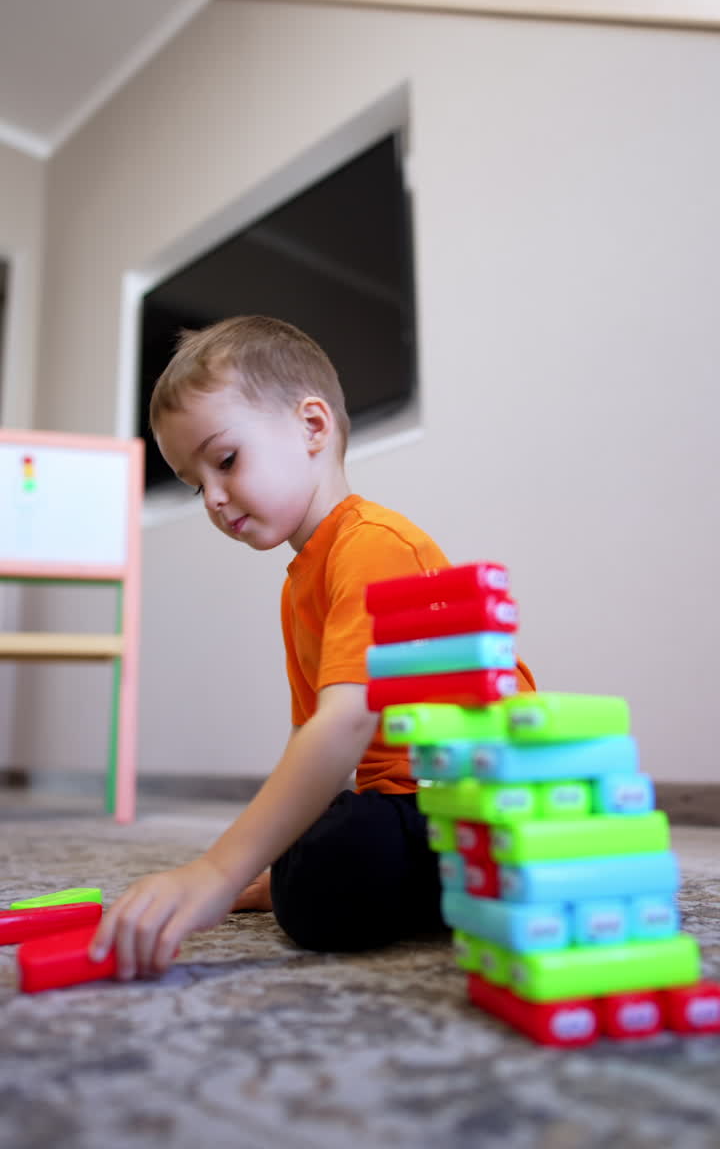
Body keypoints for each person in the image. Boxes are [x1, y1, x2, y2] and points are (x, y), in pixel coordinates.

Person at [90, 315, 535, 979]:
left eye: (226, 460)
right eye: (194, 483)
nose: (212, 498)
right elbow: (312, 740)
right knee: (314, 845)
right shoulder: (300, 583)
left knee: (332, 870)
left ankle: (484, 881)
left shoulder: (372, 545)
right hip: (408, 802)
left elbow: (344, 724)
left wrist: (217, 869)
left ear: (312, 427)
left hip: (477, 799)